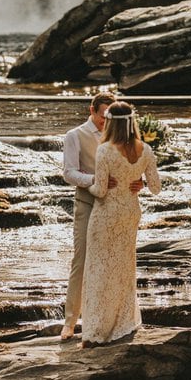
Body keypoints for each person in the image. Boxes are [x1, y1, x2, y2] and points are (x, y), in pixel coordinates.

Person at [80, 100, 161, 348]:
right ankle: (123, 323)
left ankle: (97, 331)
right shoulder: (145, 150)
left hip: (106, 215)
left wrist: (87, 184)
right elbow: (156, 188)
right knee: (123, 268)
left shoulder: (105, 150)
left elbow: (101, 191)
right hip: (130, 213)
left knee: (99, 270)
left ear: (111, 123)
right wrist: (141, 183)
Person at [60, 92, 116, 341]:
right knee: (81, 260)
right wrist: (95, 180)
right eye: (103, 116)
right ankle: (70, 322)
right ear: (91, 111)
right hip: (87, 202)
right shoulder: (74, 136)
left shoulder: (119, 134)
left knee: (111, 261)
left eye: (110, 117)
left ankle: (106, 319)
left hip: (115, 205)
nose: (106, 121)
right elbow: (69, 173)